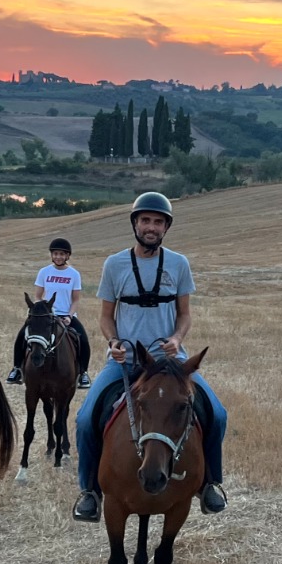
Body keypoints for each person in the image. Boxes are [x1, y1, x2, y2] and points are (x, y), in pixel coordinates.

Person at [70, 192, 229, 522]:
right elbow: (105, 316)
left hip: (170, 365)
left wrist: (177, 338)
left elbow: (185, 314)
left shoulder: (178, 264)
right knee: (85, 419)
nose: (151, 227)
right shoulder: (114, 265)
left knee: (218, 413)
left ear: (166, 227)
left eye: (158, 221)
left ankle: (211, 483)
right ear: (135, 224)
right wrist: (113, 341)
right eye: (145, 220)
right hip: (126, 363)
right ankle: (89, 491)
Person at [6, 237, 92, 388]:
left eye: (62, 254)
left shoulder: (74, 274)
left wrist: (69, 317)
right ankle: (17, 369)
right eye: (56, 253)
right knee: (21, 336)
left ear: (67, 256)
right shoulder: (44, 272)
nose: (58, 257)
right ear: (52, 255)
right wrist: (39, 313)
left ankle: (83, 373)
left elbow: (76, 300)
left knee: (83, 340)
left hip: (65, 315)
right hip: (45, 315)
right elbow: (38, 296)